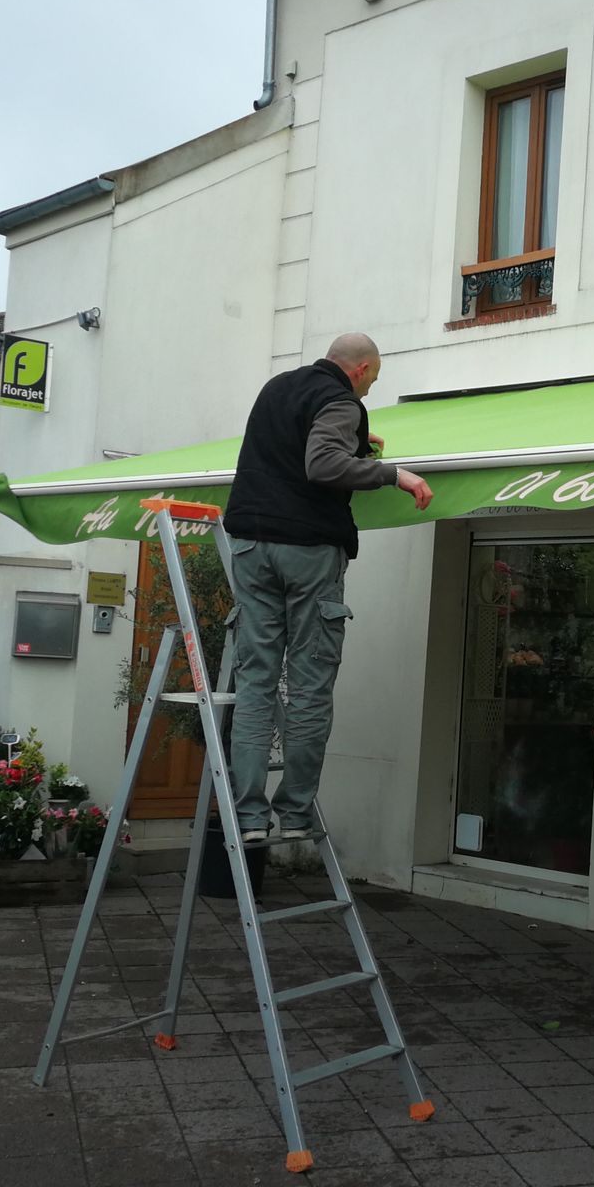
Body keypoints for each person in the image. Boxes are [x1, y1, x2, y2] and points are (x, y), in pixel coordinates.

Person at [222, 332, 433, 842]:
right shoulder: (342, 401)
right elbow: (320, 464)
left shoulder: (278, 387)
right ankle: (295, 815)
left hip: (250, 545)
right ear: (359, 370)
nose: (368, 392)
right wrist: (393, 474)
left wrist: (356, 442)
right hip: (308, 550)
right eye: (372, 381)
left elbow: (295, 446)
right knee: (310, 686)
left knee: (255, 685)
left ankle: (248, 818)